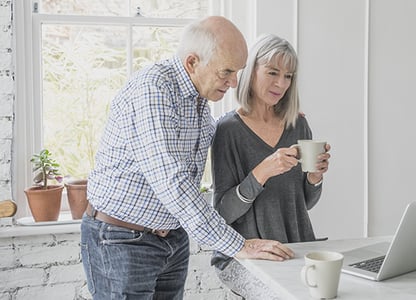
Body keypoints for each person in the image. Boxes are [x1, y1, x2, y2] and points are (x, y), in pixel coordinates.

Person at [80, 17, 294, 300]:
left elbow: (204, 140)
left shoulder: (198, 100)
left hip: (171, 239)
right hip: (123, 240)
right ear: (192, 62)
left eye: (237, 72)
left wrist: (267, 118)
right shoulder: (154, 90)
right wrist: (238, 245)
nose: (233, 83)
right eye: (226, 72)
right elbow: (173, 181)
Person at [211, 34, 331, 298]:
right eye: (273, 72)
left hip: (296, 247)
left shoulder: (297, 125)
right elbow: (223, 213)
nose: (281, 83)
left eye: (289, 76)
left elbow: (304, 203)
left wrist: (314, 177)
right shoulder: (228, 130)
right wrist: (261, 172)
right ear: (251, 70)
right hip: (246, 256)